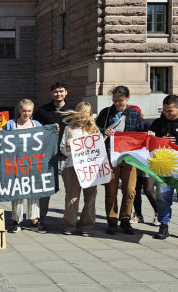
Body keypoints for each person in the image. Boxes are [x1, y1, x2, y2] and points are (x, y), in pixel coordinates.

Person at [96, 85, 146, 235]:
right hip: (111, 155)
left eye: (121, 100)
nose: (118, 103)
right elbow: (94, 128)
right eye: (115, 100)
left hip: (129, 156)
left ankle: (125, 219)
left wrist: (147, 133)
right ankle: (112, 220)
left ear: (128, 98)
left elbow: (139, 133)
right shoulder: (106, 112)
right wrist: (103, 130)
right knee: (111, 190)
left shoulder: (134, 114)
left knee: (130, 190)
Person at [34, 82, 76, 224]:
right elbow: (35, 131)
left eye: (61, 91)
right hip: (48, 157)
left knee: (70, 191)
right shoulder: (42, 111)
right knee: (46, 189)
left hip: (68, 156)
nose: (58, 94)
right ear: (51, 94)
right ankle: (40, 218)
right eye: (56, 92)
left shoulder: (73, 110)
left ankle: (69, 221)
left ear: (66, 92)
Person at [5, 99, 46, 233]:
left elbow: (44, 140)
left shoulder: (37, 124)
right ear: (19, 110)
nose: (26, 113)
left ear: (32, 111)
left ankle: (35, 221)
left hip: (33, 163)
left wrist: (54, 130)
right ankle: (16, 221)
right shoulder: (11, 124)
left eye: (29, 111)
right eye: (24, 110)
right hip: (16, 163)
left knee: (33, 192)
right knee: (17, 191)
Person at [60, 102, 99, 236]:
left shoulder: (94, 130)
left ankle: (86, 226)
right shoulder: (69, 129)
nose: (82, 118)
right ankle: (69, 225)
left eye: (85, 115)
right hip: (73, 166)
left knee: (90, 197)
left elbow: (99, 151)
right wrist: (67, 146)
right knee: (72, 197)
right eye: (80, 114)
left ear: (90, 115)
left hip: (90, 168)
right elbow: (63, 151)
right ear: (76, 113)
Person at [150, 94, 178, 239]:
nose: (167, 113)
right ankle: (164, 225)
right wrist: (160, 141)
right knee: (162, 196)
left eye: (170, 111)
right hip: (163, 167)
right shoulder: (157, 123)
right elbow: (149, 144)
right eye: (165, 110)